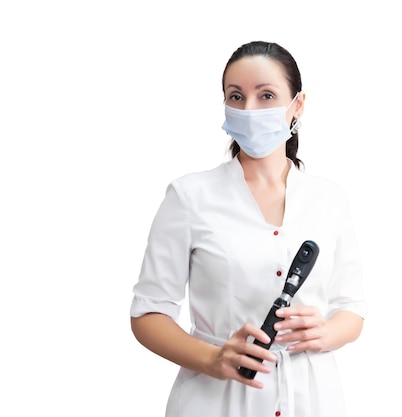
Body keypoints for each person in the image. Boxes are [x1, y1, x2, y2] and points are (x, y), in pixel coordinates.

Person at [129, 41, 367, 417]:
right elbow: (148, 314)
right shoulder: (189, 197)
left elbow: (351, 308)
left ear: (298, 105)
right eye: (235, 96)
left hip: (313, 400)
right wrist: (212, 358)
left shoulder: (330, 199)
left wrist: (326, 333)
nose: (249, 110)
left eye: (266, 95)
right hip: (214, 403)